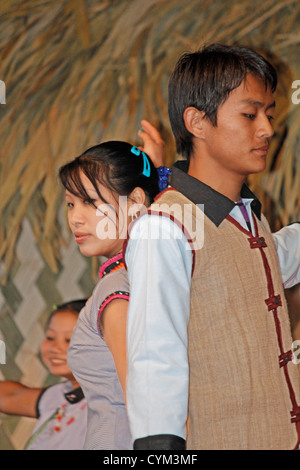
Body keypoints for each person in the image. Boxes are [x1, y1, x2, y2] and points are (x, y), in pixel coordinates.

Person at [124, 43, 300, 450]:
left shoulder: (247, 216)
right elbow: (155, 357)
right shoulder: (164, 227)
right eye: (250, 114)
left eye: (270, 115)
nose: (267, 129)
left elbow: (274, 258)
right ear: (197, 122)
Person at [58, 123, 165, 450]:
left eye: (89, 201)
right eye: (70, 204)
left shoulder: (117, 289)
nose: (75, 218)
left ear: (134, 200)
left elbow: (150, 415)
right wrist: (154, 179)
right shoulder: (148, 273)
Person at [0, 299, 88, 450]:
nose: (55, 348)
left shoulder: (113, 400)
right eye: (50, 337)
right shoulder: (58, 395)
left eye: (69, 340)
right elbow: (10, 396)